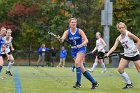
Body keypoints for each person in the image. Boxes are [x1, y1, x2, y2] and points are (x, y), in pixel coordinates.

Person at [57, 18, 98, 89]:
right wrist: (60, 39)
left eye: (75, 22)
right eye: (72, 22)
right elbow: (62, 40)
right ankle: (94, 82)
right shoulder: (67, 32)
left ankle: (78, 83)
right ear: (69, 24)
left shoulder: (79, 31)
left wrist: (81, 45)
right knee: (82, 69)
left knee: (77, 63)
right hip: (74, 50)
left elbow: (86, 40)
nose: (73, 23)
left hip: (81, 49)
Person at [106, 22, 140, 89]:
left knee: (139, 70)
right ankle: (129, 84)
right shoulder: (119, 38)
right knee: (120, 69)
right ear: (118, 29)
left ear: (125, 28)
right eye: (120, 28)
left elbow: (138, 40)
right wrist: (108, 53)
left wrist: (135, 48)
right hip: (126, 55)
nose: (121, 29)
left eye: (122, 27)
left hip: (134, 55)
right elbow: (114, 47)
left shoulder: (129, 34)